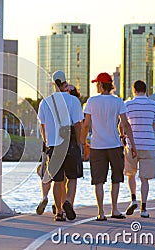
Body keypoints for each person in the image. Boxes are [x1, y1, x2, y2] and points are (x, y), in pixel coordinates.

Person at [81, 72, 137, 221]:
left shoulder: (92, 101)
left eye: (97, 84)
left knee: (98, 180)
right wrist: (133, 144)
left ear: (100, 85)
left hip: (97, 145)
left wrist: (82, 142)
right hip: (115, 145)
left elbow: (86, 125)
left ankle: (100, 212)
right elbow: (125, 124)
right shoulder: (118, 101)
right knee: (116, 178)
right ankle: (115, 209)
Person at [37, 70, 84, 221]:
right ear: (65, 83)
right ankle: (68, 201)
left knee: (58, 180)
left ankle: (58, 212)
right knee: (72, 177)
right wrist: (79, 142)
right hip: (69, 141)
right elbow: (78, 124)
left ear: (53, 84)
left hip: (53, 144)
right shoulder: (73, 101)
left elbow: (42, 126)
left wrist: (46, 141)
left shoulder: (45, 102)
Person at [123, 80, 155, 218]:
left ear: (134, 90)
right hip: (149, 145)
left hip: (132, 145)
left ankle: (133, 199)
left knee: (130, 174)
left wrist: (124, 137)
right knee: (145, 179)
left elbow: (125, 124)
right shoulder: (154, 105)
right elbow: (154, 126)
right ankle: (143, 209)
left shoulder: (128, 104)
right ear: (146, 90)